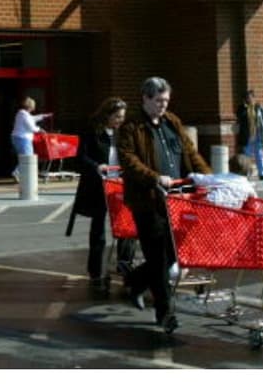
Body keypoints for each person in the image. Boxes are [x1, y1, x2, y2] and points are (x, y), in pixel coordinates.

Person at [116, 77, 211, 333]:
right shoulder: (130, 128)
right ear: (145, 99)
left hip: (179, 200)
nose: (162, 106)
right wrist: (155, 178)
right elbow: (129, 160)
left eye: (166, 100)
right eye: (158, 101)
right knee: (158, 259)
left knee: (172, 254)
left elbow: (190, 153)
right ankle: (165, 314)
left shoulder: (172, 122)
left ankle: (135, 281)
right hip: (149, 202)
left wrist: (208, 177)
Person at [72, 97, 137, 295]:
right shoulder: (92, 131)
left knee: (127, 226)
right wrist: (96, 166)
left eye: (122, 117)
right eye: (117, 116)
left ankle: (124, 263)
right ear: (107, 114)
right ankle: (95, 270)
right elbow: (80, 158)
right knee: (98, 229)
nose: (120, 120)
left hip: (119, 184)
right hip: (98, 185)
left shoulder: (122, 134)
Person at [10, 96, 48, 181]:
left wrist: (43, 116)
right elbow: (31, 127)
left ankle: (21, 174)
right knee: (28, 157)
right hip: (23, 138)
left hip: (18, 138)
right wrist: (40, 129)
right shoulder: (24, 114)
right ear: (30, 106)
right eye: (33, 106)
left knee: (25, 157)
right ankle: (17, 173)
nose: (33, 108)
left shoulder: (22, 113)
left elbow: (32, 118)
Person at [236, 89, 263, 181]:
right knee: (247, 156)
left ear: (254, 98)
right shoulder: (241, 108)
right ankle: (247, 174)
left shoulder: (259, 107)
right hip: (247, 136)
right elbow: (240, 118)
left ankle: (262, 174)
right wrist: (245, 107)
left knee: (259, 154)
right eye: (247, 98)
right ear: (244, 99)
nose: (249, 99)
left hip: (258, 134)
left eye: (251, 97)